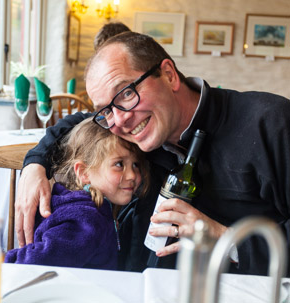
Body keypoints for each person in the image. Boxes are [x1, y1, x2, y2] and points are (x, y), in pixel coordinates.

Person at [15, 31, 290, 276]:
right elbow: (77, 123)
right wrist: (35, 164)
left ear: (168, 75)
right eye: (106, 110)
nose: (118, 121)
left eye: (125, 93)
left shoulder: (271, 123)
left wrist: (226, 240)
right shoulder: (140, 129)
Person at [5, 117, 149, 269]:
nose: (132, 175)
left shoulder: (84, 205)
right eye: (119, 164)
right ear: (83, 172)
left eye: (136, 165)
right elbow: (30, 262)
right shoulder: (87, 221)